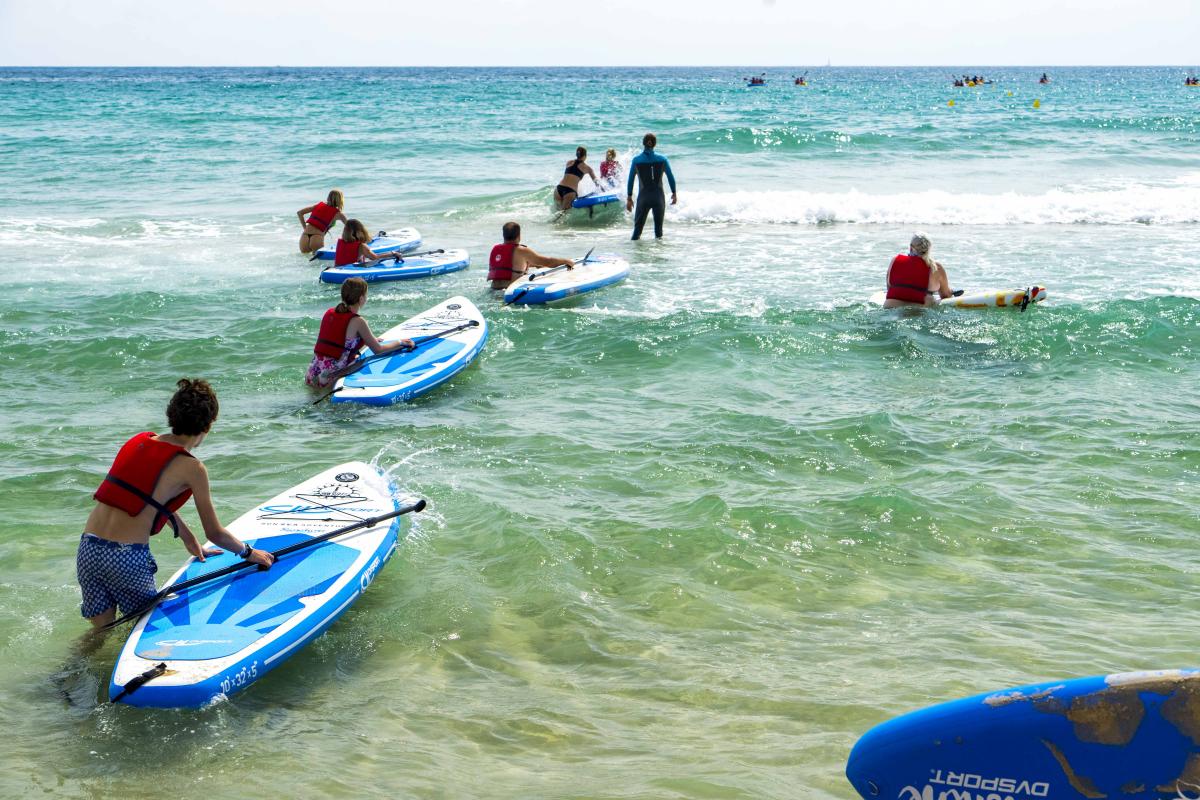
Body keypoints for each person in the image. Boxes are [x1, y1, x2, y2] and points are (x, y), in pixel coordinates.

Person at [77, 379, 274, 629]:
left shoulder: (140, 440)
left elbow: (142, 497)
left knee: (101, 632)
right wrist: (249, 552)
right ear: (209, 424)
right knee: (145, 629)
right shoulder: (193, 468)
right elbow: (215, 533)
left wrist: (186, 537)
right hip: (125, 557)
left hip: (88, 548)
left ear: (172, 413)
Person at [306, 277, 414, 388]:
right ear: (361, 299)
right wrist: (401, 342)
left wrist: (369, 339)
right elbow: (378, 350)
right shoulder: (358, 321)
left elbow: (339, 338)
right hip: (332, 376)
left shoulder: (330, 313)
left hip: (313, 372)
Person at [487, 221, 573, 291]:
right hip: (509, 291)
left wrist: (533, 264)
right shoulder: (522, 250)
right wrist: (566, 261)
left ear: (503, 235)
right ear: (519, 236)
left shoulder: (496, 249)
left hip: (493, 290)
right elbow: (548, 261)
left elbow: (511, 265)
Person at [626, 133, 677, 241]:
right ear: (654, 144)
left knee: (637, 232)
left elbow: (630, 180)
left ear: (644, 143)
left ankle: (634, 256)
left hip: (643, 198)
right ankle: (658, 256)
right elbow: (670, 177)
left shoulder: (636, 160)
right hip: (658, 198)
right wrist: (674, 193)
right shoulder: (663, 159)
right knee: (659, 233)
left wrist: (629, 197)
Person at [883, 232, 954, 308]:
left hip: (890, 309)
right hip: (919, 313)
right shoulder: (935, 267)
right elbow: (946, 295)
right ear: (928, 248)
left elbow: (889, 288)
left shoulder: (895, 260)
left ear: (910, 247)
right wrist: (951, 292)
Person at [297, 190, 347, 254]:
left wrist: (305, 228)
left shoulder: (318, 206)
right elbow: (349, 226)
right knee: (318, 263)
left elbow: (299, 213)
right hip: (317, 238)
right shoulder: (338, 214)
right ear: (340, 200)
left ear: (328, 198)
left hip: (304, 237)